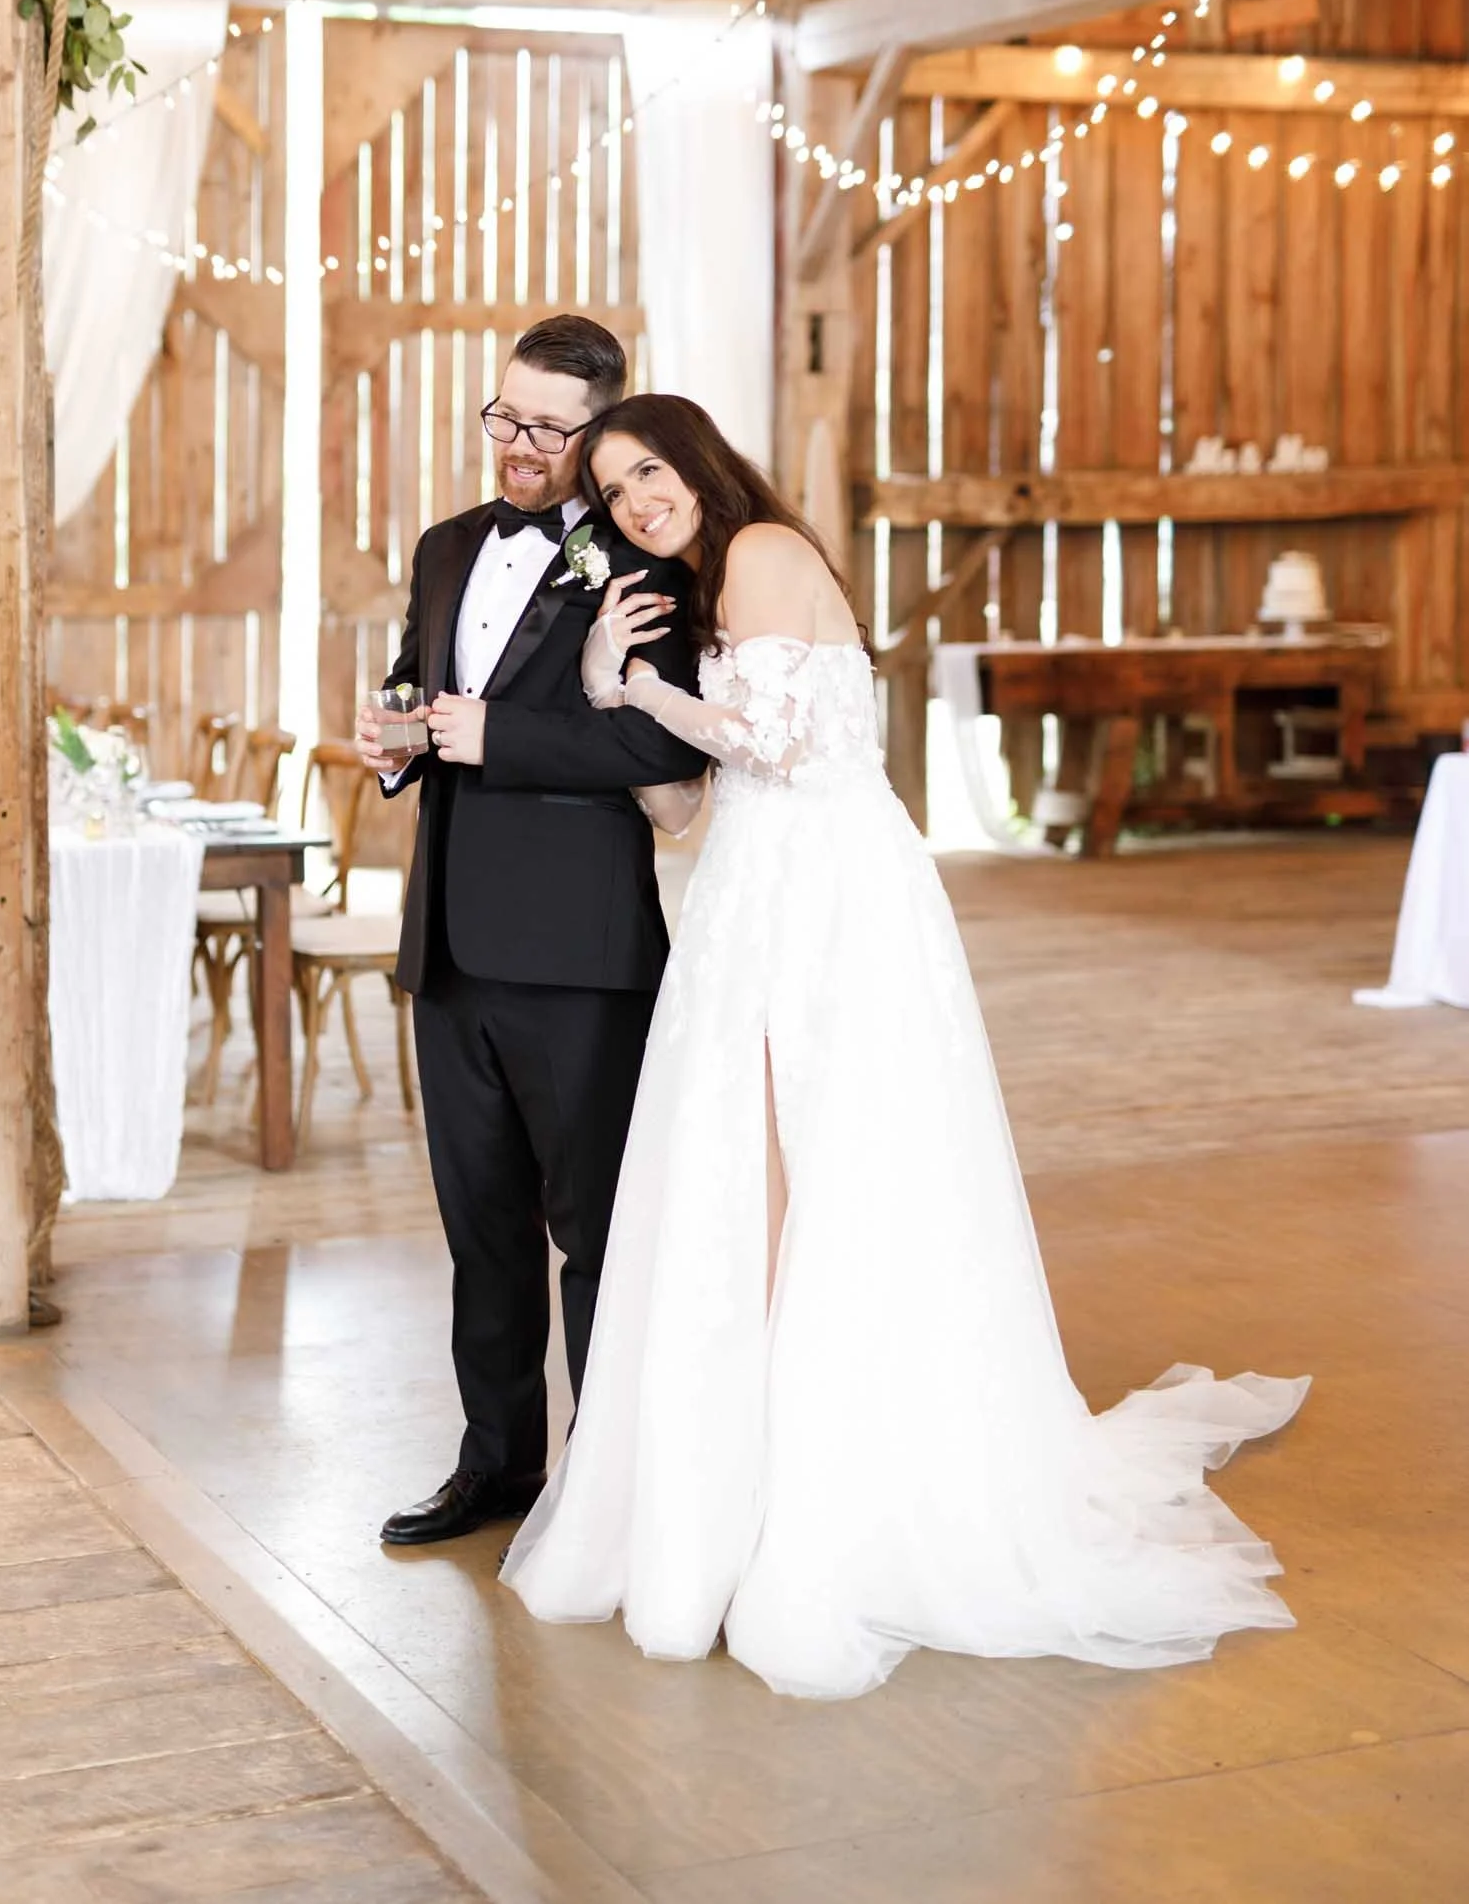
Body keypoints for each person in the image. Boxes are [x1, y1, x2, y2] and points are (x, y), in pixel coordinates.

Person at [482, 395, 1309, 1701]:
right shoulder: (710, 592)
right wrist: (608, 694)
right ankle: (745, 1488)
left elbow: (786, 744)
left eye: (648, 471)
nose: (638, 500)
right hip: (752, 898)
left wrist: (635, 685)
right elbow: (687, 806)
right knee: (746, 1195)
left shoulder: (757, 550)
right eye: (613, 489)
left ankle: (811, 1499)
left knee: (816, 1185)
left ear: (697, 462)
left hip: (826, 902)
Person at [356, 320, 703, 1549]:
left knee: (594, 1235)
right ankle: (494, 1465)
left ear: (598, 429)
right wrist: (393, 737)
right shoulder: (448, 544)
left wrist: (494, 736)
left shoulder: (641, 561)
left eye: (549, 430)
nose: (518, 446)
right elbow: (420, 682)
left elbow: (662, 748)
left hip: (580, 954)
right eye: (503, 418)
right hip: (447, 941)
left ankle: (602, 1486)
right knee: (480, 1232)